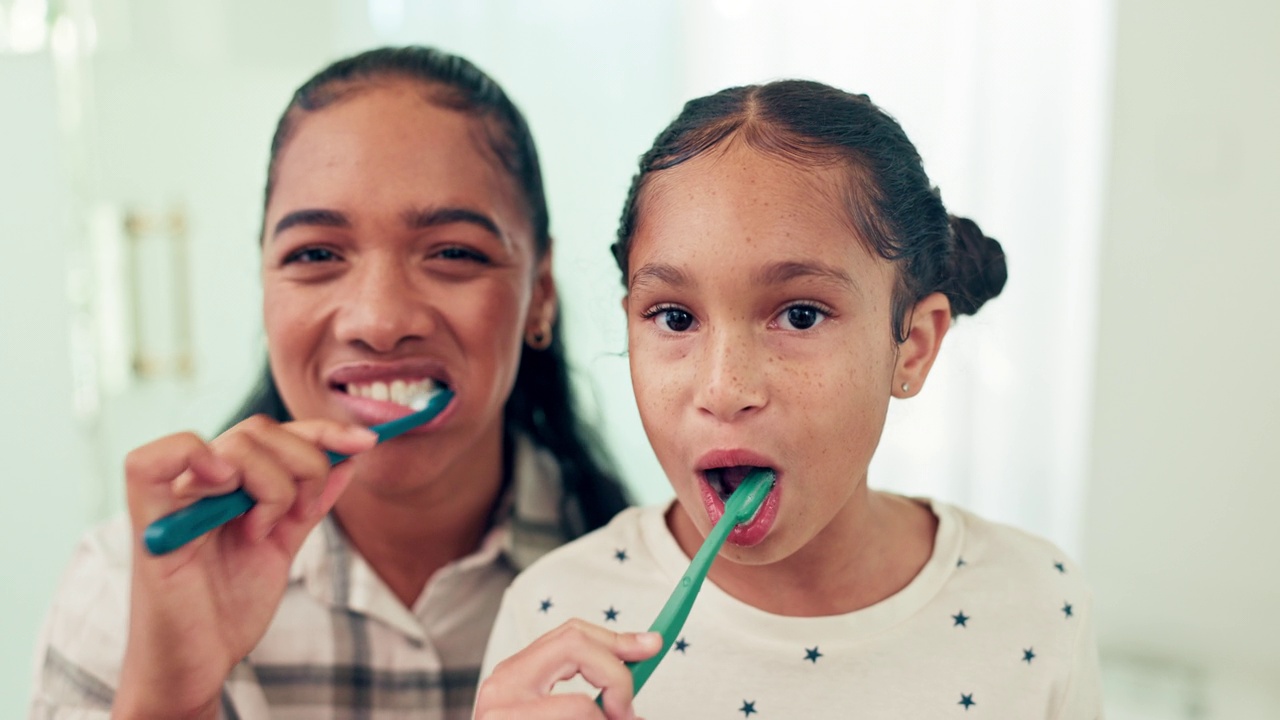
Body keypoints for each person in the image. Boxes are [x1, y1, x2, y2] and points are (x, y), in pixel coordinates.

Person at [29, 46, 630, 720]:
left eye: (453, 252)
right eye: (315, 254)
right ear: (264, 286)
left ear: (540, 294)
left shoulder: (647, 589)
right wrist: (168, 698)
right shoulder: (125, 590)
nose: (379, 321)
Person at [474, 79, 1103, 719]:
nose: (724, 389)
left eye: (800, 316)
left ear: (911, 345)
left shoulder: (1034, 606)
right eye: (674, 318)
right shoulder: (554, 620)